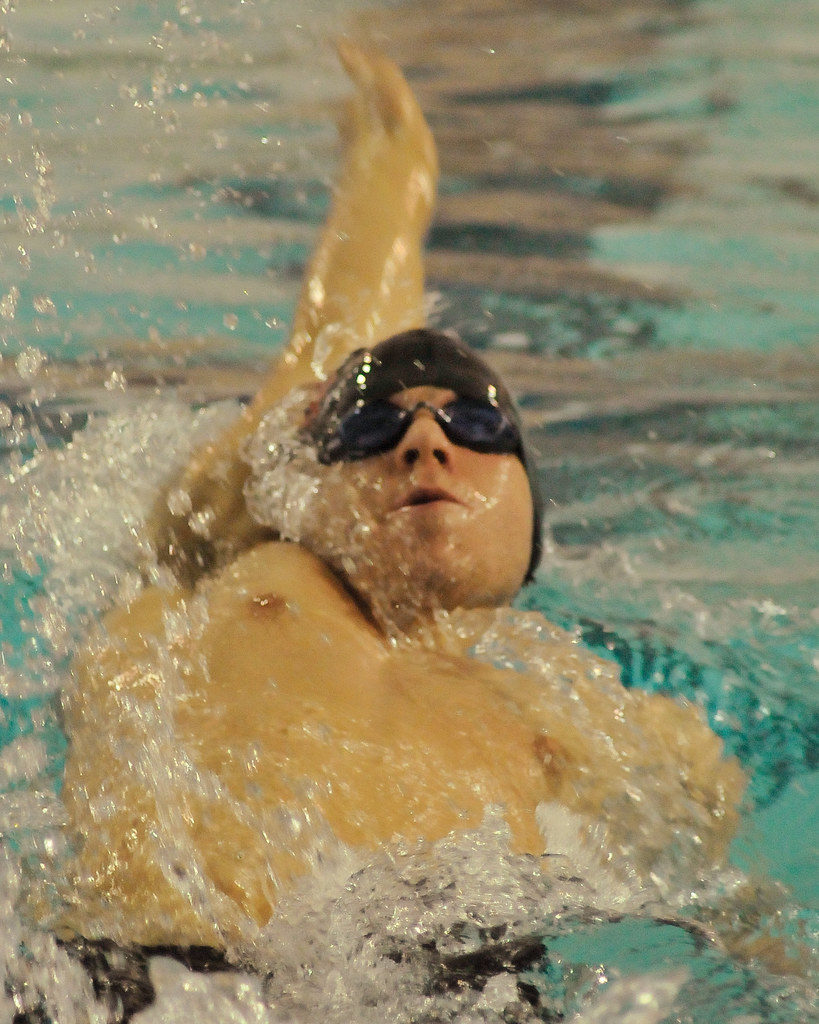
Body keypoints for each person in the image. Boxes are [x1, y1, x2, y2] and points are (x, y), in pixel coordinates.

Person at [50, 42, 744, 953]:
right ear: (305, 478)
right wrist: (395, 172)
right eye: (373, 428)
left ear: (535, 514)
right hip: (158, 970)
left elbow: (726, 904)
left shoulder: (597, 726)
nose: (425, 441)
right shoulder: (254, 567)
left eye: (476, 428)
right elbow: (340, 336)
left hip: (452, 985)